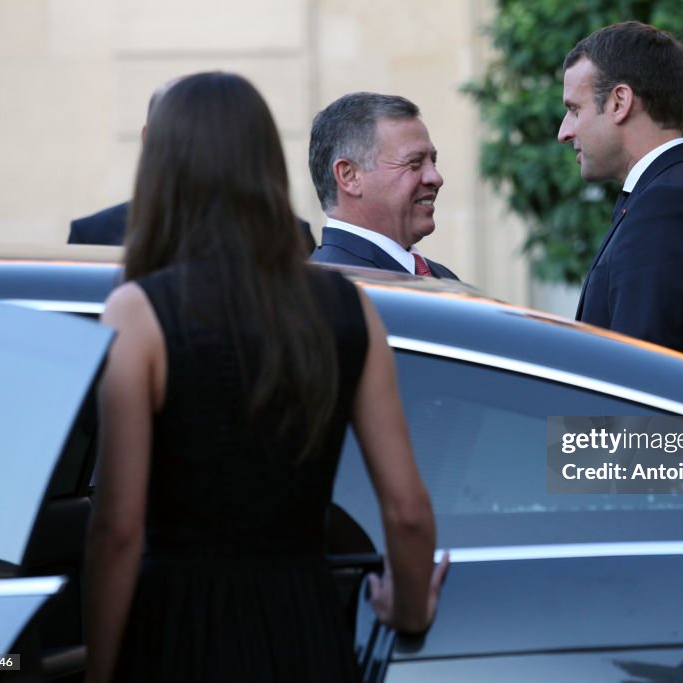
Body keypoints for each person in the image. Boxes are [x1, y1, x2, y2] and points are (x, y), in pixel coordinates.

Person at [84, 72, 448, 682]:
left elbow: (117, 531)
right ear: (266, 165)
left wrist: (98, 672)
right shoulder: (347, 305)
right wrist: (409, 611)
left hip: (181, 637)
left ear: (162, 167)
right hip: (304, 631)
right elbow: (407, 510)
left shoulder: (139, 312)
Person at [557, 21, 683, 373]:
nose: (564, 131)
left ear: (619, 102)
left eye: (574, 109)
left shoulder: (669, 204)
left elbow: (637, 389)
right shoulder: (670, 193)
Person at [67, 78, 316, 251]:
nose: (198, 146)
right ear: (148, 138)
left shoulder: (290, 235)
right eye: (180, 132)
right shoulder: (93, 235)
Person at [309, 92, 459, 279]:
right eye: (414, 163)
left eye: (433, 162)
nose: (435, 178)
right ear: (349, 176)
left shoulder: (443, 279)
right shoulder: (326, 287)